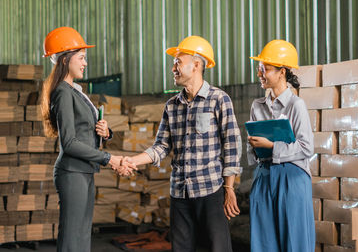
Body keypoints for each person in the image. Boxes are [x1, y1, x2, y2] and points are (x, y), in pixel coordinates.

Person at [123, 36, 242, 252]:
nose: (173, 68)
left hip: (210, 190)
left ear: (196, 65)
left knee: (218, 248)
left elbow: (232, 145)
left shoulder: (218, 99)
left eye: (178, 62)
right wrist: (133, 161)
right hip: (180, 193)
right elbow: (161, 146)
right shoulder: (172, 106)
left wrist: (229, 187)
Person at [41, 27, 131, 252]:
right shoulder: (62, 92)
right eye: (81, 58)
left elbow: (83, 131)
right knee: (73, 241)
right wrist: (108, 158)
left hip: (84, 171)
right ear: (65, 60)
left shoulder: (75, 91)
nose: (85, 63)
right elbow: (69, 143)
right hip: (72, 173)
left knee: (81, 238)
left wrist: (105, 132)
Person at [247, 40, 315, 252]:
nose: (260, 73)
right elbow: (251, 148)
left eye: (265, 69)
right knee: (264, 241)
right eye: (260, 69)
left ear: (282, 72)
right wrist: (255, 147)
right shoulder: (257, 106)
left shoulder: (296, 105)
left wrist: (272, 145)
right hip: (264, 176)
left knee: (294, 241)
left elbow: (306, 147)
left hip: (292, 177)